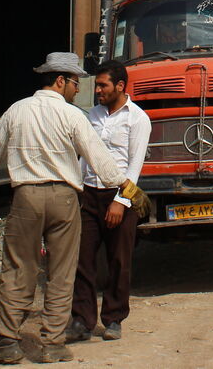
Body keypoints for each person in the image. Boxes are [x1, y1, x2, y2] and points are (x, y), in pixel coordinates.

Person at [0, 52, 151, 365]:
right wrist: (127, 189)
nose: (78, 89)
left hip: (26, 199)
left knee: (18, 267)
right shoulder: (75, 116)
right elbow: (99, 160)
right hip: (65, 200)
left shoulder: (17, 110)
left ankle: (6, 342)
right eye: (75, 83)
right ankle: (52, 344)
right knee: (62, 272)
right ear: (60, 81)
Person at [67, 61, 152, 344]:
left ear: (120, 86)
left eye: (103, 85)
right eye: (97, 85)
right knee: (83, 259)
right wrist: (76, 190)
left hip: (120, 198)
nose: (98, 90)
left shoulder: (138, 119)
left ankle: (114, 319)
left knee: (118, 260)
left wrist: (120, 202)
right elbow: (83, 158)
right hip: (89, 195)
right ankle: (82, 320)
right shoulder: (92, 115)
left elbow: (134, 166)